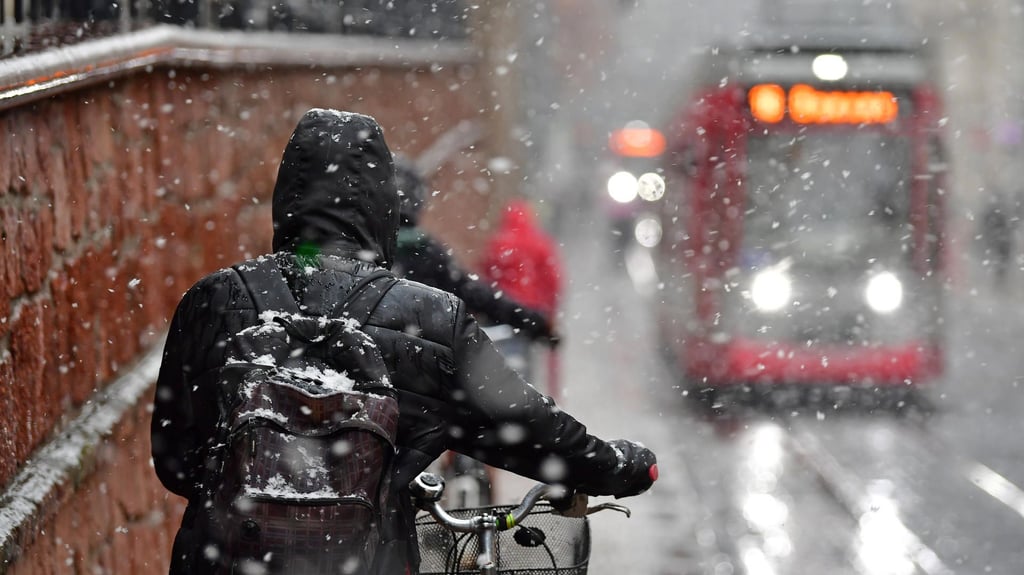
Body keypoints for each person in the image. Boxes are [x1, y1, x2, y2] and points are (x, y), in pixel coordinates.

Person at [150, 108, 658, 575]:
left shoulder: (213, 302)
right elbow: (524, 424)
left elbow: (176, 462)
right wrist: (613, 466)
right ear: (383, 204)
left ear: (287, 198)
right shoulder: (430, 318)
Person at [390, 155, 558, 345]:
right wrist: (535, 322)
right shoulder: (426, 253)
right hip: (417, 361)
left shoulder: (360, 248)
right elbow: (477, 294)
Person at [480, 198, 562, 324]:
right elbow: (552, 280)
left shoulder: (497, 243)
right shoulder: (540, 243)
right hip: (531, 310)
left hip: (501, 309)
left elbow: (487, 276)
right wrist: (550, 312)